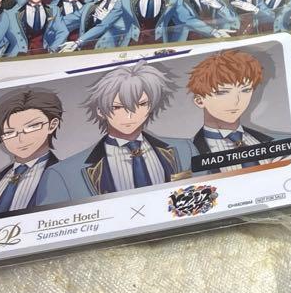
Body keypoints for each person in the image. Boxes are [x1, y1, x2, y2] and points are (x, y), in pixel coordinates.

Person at [36, 63, 193, 200]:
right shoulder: (63, 173)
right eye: (117, 107)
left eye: (141, 104)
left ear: (151, 106)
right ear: (100, 110)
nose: (130, 115)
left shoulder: (185, 149)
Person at [0, 87, 64, 217]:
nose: (21, 139)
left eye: (32, 127)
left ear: (52, 125)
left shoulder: (65, 177)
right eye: (9, 133)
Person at [186, 49, 288, 171]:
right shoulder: (184, 154)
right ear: (199, 100)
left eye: (245, 90)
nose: (236, 101)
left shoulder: (278, 141)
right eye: (223, 92)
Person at [59, 0, 138, 52]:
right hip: (88, 47)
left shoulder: (126, 2)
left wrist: (107, 18)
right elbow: (68, 21)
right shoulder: (90, 6)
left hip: (113, 46)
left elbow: (128, 25)